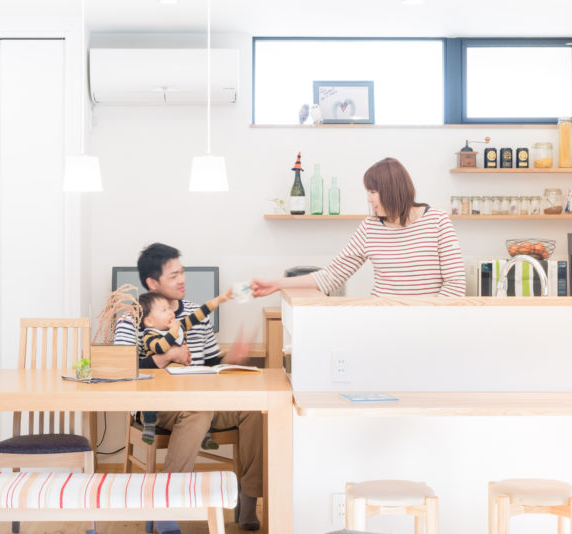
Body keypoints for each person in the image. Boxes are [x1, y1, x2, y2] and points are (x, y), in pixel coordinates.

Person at [114, 243, 264, 533]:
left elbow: (210, 361)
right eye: (173, 275)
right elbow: (122, 369)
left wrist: (234, 359)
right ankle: (166, 503)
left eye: (182, 272)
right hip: (159, 410)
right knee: (199, 409)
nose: (182, 279)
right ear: (152, 283)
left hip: (202, 401)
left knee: (255, 410)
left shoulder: (196, 311)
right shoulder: (132, 316)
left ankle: (248, 495)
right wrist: (167, 356)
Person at [252, 157, 466, 297]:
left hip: (429, 327)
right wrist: (277, 284)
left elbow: (455, 286)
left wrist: (423, 319)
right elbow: (331, 276)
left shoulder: (437, 221)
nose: (369, 199)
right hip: (380, 323)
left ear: (392, 191)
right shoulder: (370, 228)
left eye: (373, 192)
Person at [137, 289, 233, 450]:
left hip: (182, 389)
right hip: (160, 395)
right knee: (193, 410)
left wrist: (218, 300)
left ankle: (206, 437)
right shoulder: (150, 336)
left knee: (202, 403)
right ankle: (149, 426)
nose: (170, 312)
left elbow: (198, 316)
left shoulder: (179, 327)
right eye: (164, 310)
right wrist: (174, 335)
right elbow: (161, 347)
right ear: (149, 321)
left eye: (170, 308)